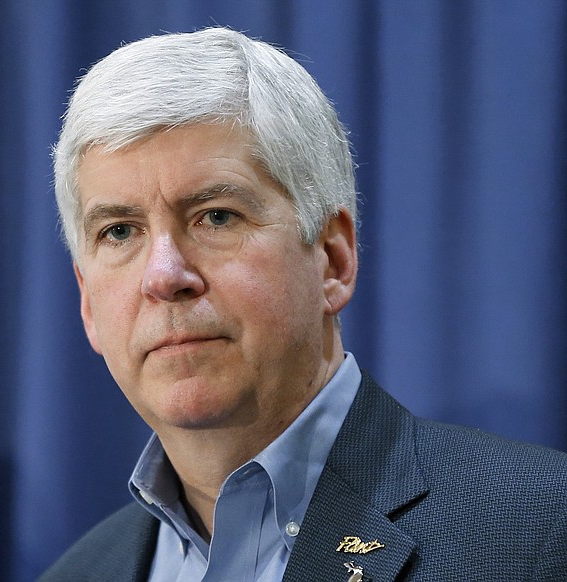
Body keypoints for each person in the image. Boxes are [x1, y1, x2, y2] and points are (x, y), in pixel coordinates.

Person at [39, 27, 567, 581]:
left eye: (216, 216)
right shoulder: (75, 574)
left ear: (332, 260)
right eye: (120, 232)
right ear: (88, 303)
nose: (165, 276)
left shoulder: (539, 530)